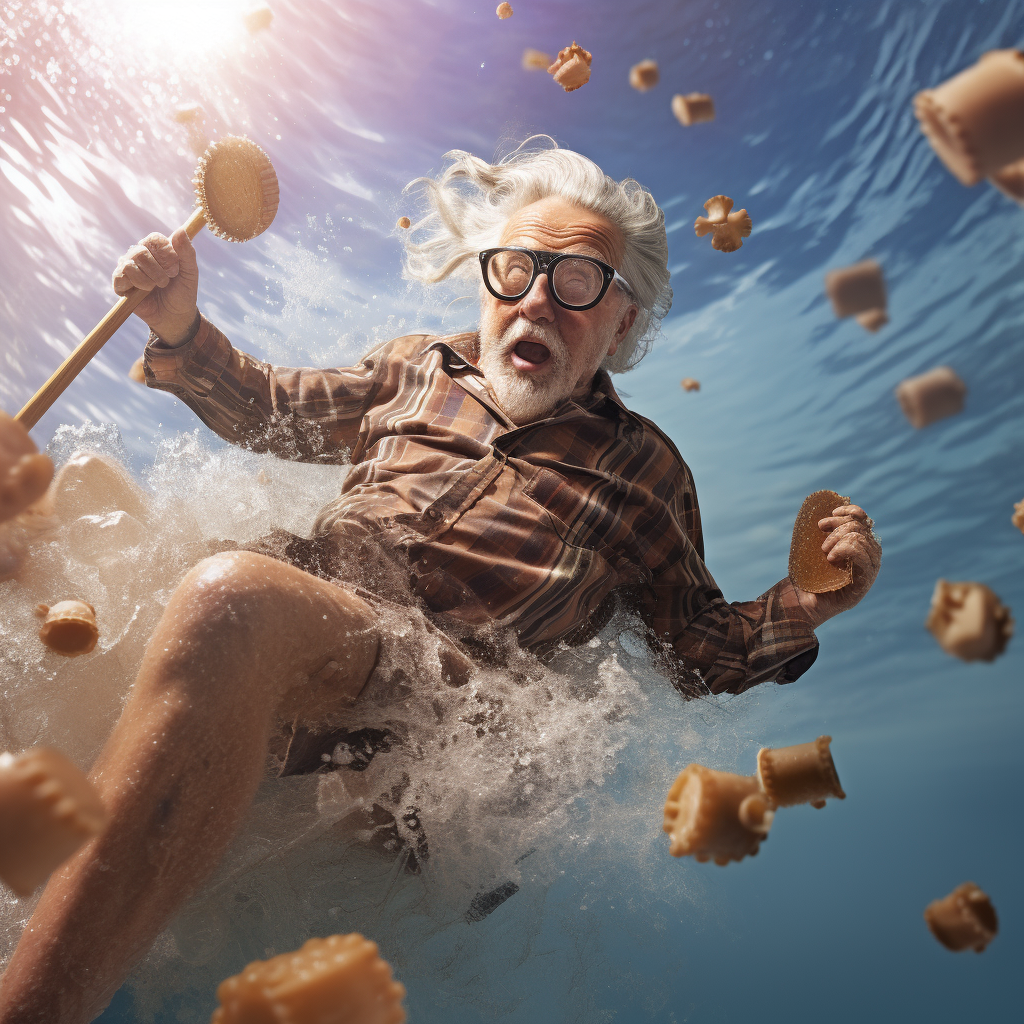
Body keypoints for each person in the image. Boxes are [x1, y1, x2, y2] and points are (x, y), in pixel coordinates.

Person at [0, 142, 881, 1023]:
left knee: (235, 598)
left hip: (440, 713)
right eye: (516, 271)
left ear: (622, 323)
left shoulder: (646, 473)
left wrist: (808, 603)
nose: (537, 298)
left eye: (576, 280)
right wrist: (182, 328)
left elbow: (696, 651)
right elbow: (273, 410)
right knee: (45, 535)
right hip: (314, 612)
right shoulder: (417, 366)